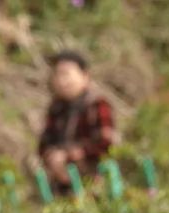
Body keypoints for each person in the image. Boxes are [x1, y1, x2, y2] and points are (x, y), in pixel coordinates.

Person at [38, 50, 115, 193]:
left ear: (85, 76)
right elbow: (43, 145)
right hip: (60, 185)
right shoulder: (56, 108)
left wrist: (69, 156)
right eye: (57, 74)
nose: (61, 81)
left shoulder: (97, 105)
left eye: (66, 74)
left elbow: (106, 144)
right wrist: (53, 158)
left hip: (95, 184)